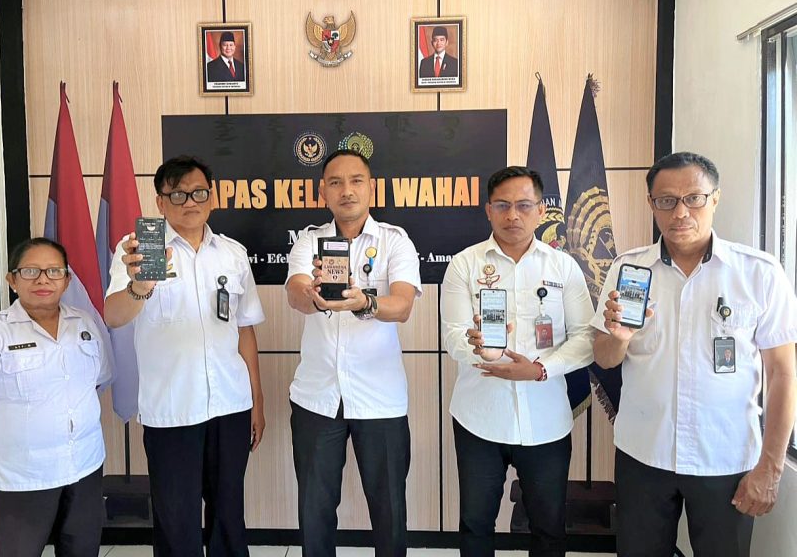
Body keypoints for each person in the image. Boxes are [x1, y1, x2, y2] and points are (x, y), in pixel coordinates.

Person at [592, 152, 797, 557]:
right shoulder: (628, 269)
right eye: (666, 200)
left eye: (694, 198)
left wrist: (771, 467)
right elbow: (605, 358)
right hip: (643, 456)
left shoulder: (758, 273)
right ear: (652, 204)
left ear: (715, 199)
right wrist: (619, 336)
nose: (680, 212)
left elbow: (783, 374)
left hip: (726, 459)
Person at [104, 156, 265, 557]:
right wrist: (141, 285)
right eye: (177, 194)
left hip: (230, 404)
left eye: (198, 192)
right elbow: (114, 315)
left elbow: (245, 329)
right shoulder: (138, 250)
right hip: (172, 410)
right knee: (177, 521)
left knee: (229, 515)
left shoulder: (232, 254)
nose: (189, 202)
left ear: (213, 197)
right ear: (160, 202)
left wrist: (256, 401)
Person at [441, 166, 595, 556]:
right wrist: (482, 351)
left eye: (524, 205)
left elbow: (586, 339)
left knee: (549, 528)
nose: (513, 215)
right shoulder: (464, 264)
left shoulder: (563, 267)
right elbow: (453, 336)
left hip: (546, 421)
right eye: (502, 205)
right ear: (488, 210)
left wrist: (541, 370)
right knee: (475, 525)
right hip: (479, 418)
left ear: (541, 210)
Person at [285, 149, 422, 556]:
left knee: (390, 511)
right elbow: (295, 293)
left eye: (356, 180)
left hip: (380, 398)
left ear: (371, 187)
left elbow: (403, 305)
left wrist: (366, 303)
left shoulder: (395, 241)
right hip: (317, 397)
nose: (347, 190)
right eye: (336, 182)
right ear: (322, 192)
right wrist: (312, 295)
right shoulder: (309, 240)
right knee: (315, 511)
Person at [0, 238, 111, 557]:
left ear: (66, 279)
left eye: (53, 271)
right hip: (25, 475)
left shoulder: (84, 322)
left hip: (85, 465)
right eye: (30, 271)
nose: (43, 279)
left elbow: (98, 378)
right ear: (12, 280)